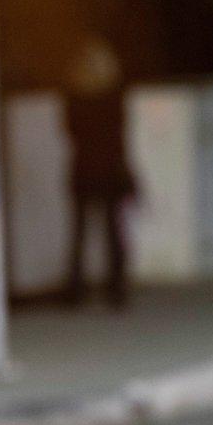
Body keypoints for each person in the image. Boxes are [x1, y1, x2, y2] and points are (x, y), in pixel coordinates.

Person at [63, 35, 136, 308]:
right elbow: (120, 134)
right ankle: (116, 289)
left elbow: (69, 131)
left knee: (79, 231)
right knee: (112, 231)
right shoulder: (114, 94)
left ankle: (75, 291)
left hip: (82, 167)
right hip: (109, 167)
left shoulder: (74, 95)